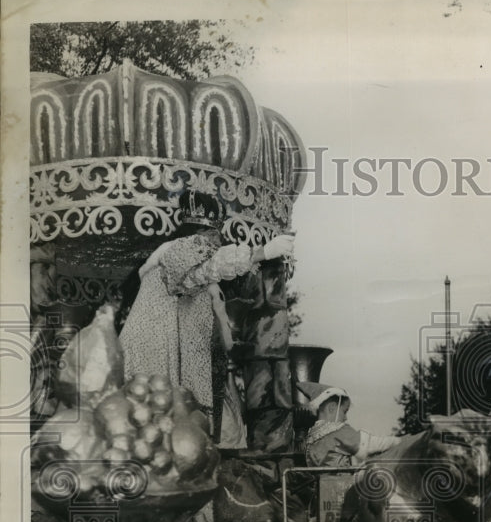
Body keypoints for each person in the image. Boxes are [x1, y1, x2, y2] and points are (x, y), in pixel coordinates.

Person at [119, 192, 294, 445]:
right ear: (198, 232)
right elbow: (210, 267)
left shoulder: (191, 270)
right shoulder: (177, 250)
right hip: (154, 353)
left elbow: (201, 276)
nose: (217, 242)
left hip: (167, 354)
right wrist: (260, 253)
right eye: (213, 236)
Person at [300, 383, 401, 468]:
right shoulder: (338, 432)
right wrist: (400, 441)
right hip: (340, 486)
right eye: (344, 411)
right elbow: (370, 445)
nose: (345, 418)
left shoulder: (311, 438)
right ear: (331, 408)